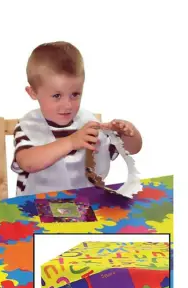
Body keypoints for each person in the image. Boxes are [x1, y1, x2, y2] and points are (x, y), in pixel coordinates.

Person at [11, 41, 143, 196]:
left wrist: (128, 133)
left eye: (75, 94)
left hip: (86, 202)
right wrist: (71, 142)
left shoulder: (88, 124)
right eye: (57, 96)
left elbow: (133, 150)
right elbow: (27, 163)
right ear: (33, 93)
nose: (67, 105)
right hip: (36, 205)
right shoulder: (27, 127)